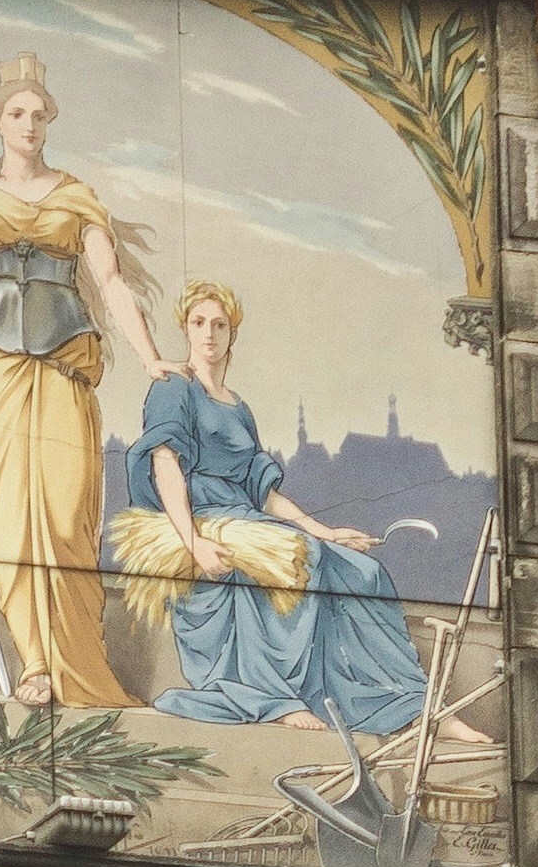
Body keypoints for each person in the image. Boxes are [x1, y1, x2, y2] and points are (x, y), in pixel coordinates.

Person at [0, 55, 163, 714]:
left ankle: (78, 659)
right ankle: (36, 663)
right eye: (16, 112)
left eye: (39, 113)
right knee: (15, 516)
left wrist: (153, 357)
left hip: (61, 362)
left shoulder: (77, 197)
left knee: (70, 510)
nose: (29, 123)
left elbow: (109, 283)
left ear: (49, 121)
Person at [104, 278, 434, 747]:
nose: (209, 334)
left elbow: (263, 491)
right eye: (198, 323)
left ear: (233, 332)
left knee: (364, 571)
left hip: (245, 516)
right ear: (185, 329)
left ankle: (407, 705)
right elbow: (165, 466)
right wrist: (193, 541)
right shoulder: (173, 388)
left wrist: (324, 529)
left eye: (219, 324)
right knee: (302, 556)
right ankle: (274, 698)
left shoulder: (239, 407)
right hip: (199, 518)